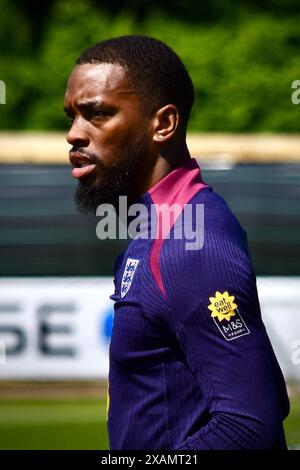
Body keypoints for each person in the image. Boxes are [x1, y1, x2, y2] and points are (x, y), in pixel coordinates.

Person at [64, 35, 290, 450]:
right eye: (72, 116)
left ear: (163, 124)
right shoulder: (161, 226)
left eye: (96, 114)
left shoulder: (192, 243)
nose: (74, 134)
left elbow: (250, 427)